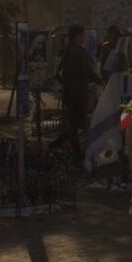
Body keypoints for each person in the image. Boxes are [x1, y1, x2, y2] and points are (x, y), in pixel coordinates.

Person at [51, 24, 98, 162]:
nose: (84, 37)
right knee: (78, 122)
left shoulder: (66, 50)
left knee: (73, 121)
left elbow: (58, 72)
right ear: (78, 35)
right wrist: (99, 79)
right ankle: (73, 149)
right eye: (83, 35)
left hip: (68, 90)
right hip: (79, 91)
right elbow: (87, 71)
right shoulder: (79, 51)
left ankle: (64, 145)